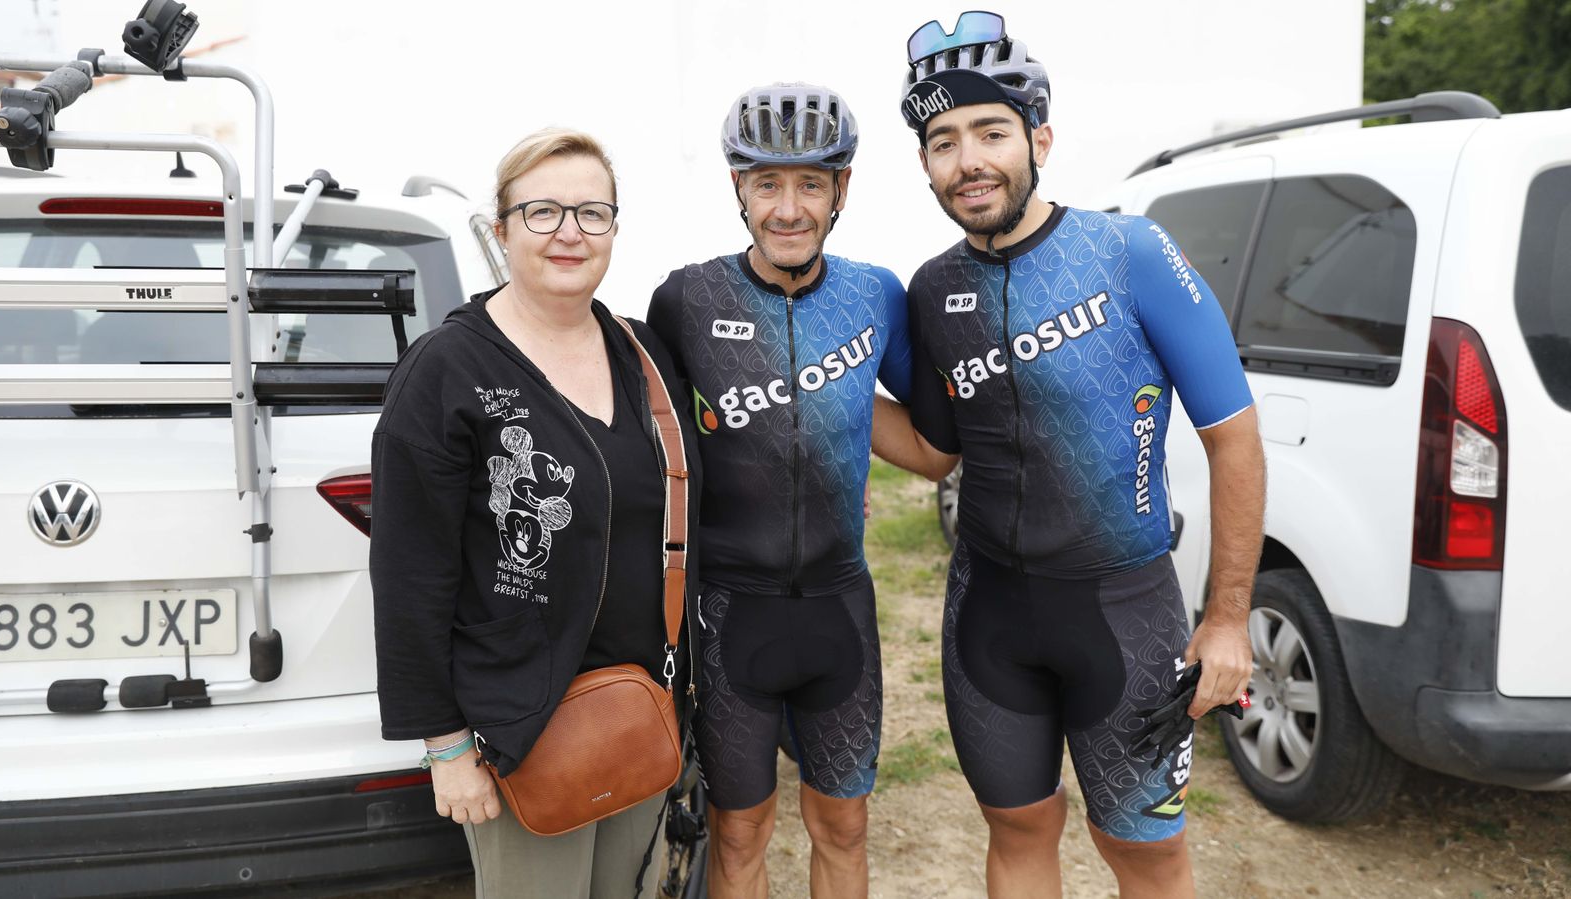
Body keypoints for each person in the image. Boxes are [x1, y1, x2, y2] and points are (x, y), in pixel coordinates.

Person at [870, 12, 1266, 899]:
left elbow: (1233, 435)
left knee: (1146, 855)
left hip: (1125, 613)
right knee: (1018, 829)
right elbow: (937, 452)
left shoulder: (1130, 254)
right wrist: (831, 394)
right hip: (989, 617)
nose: (967, 158)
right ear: (926, 164)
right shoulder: (934, 289)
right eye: (943, 141)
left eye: (990, 131)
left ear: (1038, 137)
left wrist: (1230, 617)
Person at [370, 127, 701, 899]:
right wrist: (445, 745)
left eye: (591, 212)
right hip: (517, 728)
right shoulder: (447, 369)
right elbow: (410, 570)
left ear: (615, 228)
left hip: (637, 707)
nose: (568, 233)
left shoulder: (641, 352)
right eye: (543, 211)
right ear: (502, 227)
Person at [645, 83, 912, 899]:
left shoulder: (876, 295)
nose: (788, 207)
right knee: (739, 832)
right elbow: (652, 448)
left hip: (839, 612)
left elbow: (933, 434)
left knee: (843, 826)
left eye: (810, 183)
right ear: (738, 189)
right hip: (732, 618)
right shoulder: (686, 299)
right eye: (768, 183)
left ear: (842, 190)